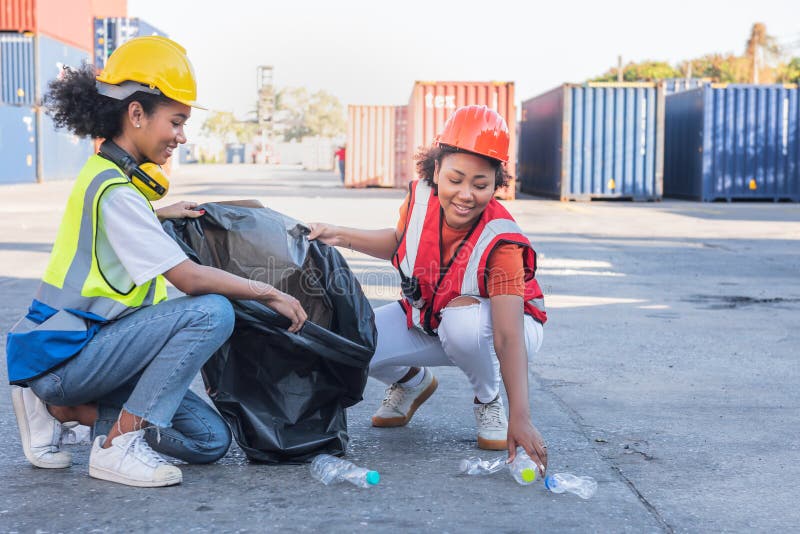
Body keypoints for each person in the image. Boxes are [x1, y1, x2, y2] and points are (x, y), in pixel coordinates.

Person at [5, 36, 307, 488]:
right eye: (177, 121)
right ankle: (114, 448)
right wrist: (269, 291)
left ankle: (63, 411)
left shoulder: (116, 183)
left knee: (208, 442)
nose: (182, 136)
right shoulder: (118, 193)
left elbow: (120, 222)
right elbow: (187, 279)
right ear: (137, 114)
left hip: (98, 353)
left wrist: (159, 213)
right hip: (66, 358)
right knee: (211, 311)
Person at [307, 105, 549, 471]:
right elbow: (400, 243)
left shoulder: (503, 241)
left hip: (501, 328)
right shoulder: (420, 197)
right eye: (455, 179)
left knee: (464, 322)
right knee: (352, 343)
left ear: (496, 184)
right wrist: (337, 234)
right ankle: (413, 382)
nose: (465, 194)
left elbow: (507, 335)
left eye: (481, 185)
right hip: (433, 317)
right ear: (436, 169)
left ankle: (488, 400)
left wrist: (521, 416)